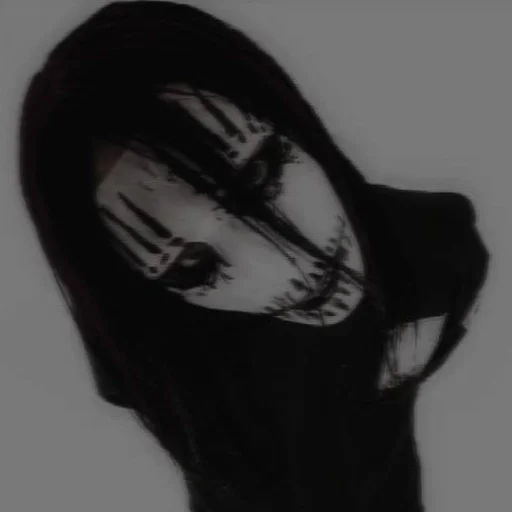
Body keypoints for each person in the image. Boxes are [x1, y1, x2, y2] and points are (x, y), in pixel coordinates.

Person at [18, 2, 490, 511]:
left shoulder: (434, 242)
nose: (287, 269)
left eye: (260, 176)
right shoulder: (157, 355)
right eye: (190, 266)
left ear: (287, 117)